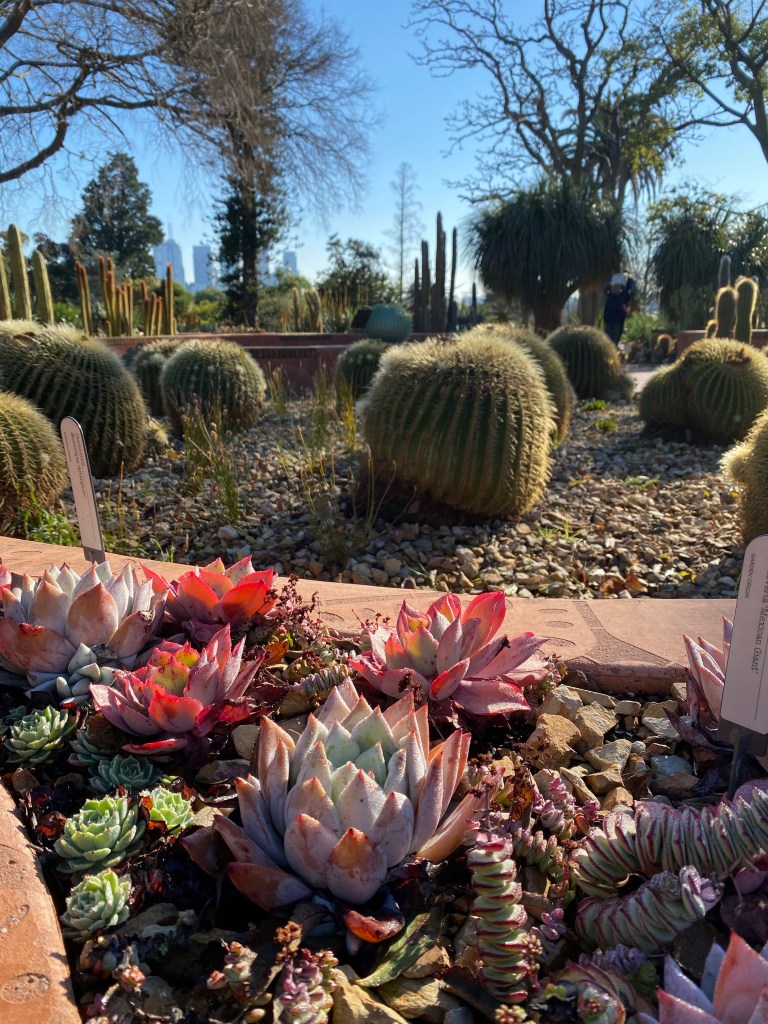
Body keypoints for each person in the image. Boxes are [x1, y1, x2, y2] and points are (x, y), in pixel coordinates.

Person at [602, 272, 636, 345]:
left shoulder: (610, 296)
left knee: (608, 340)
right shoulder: (623, 296)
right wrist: (631, 280)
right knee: (614, 340)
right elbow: (632, 292)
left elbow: (604, 289)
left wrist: (611, 279)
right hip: (616, 322)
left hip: (610, 321)